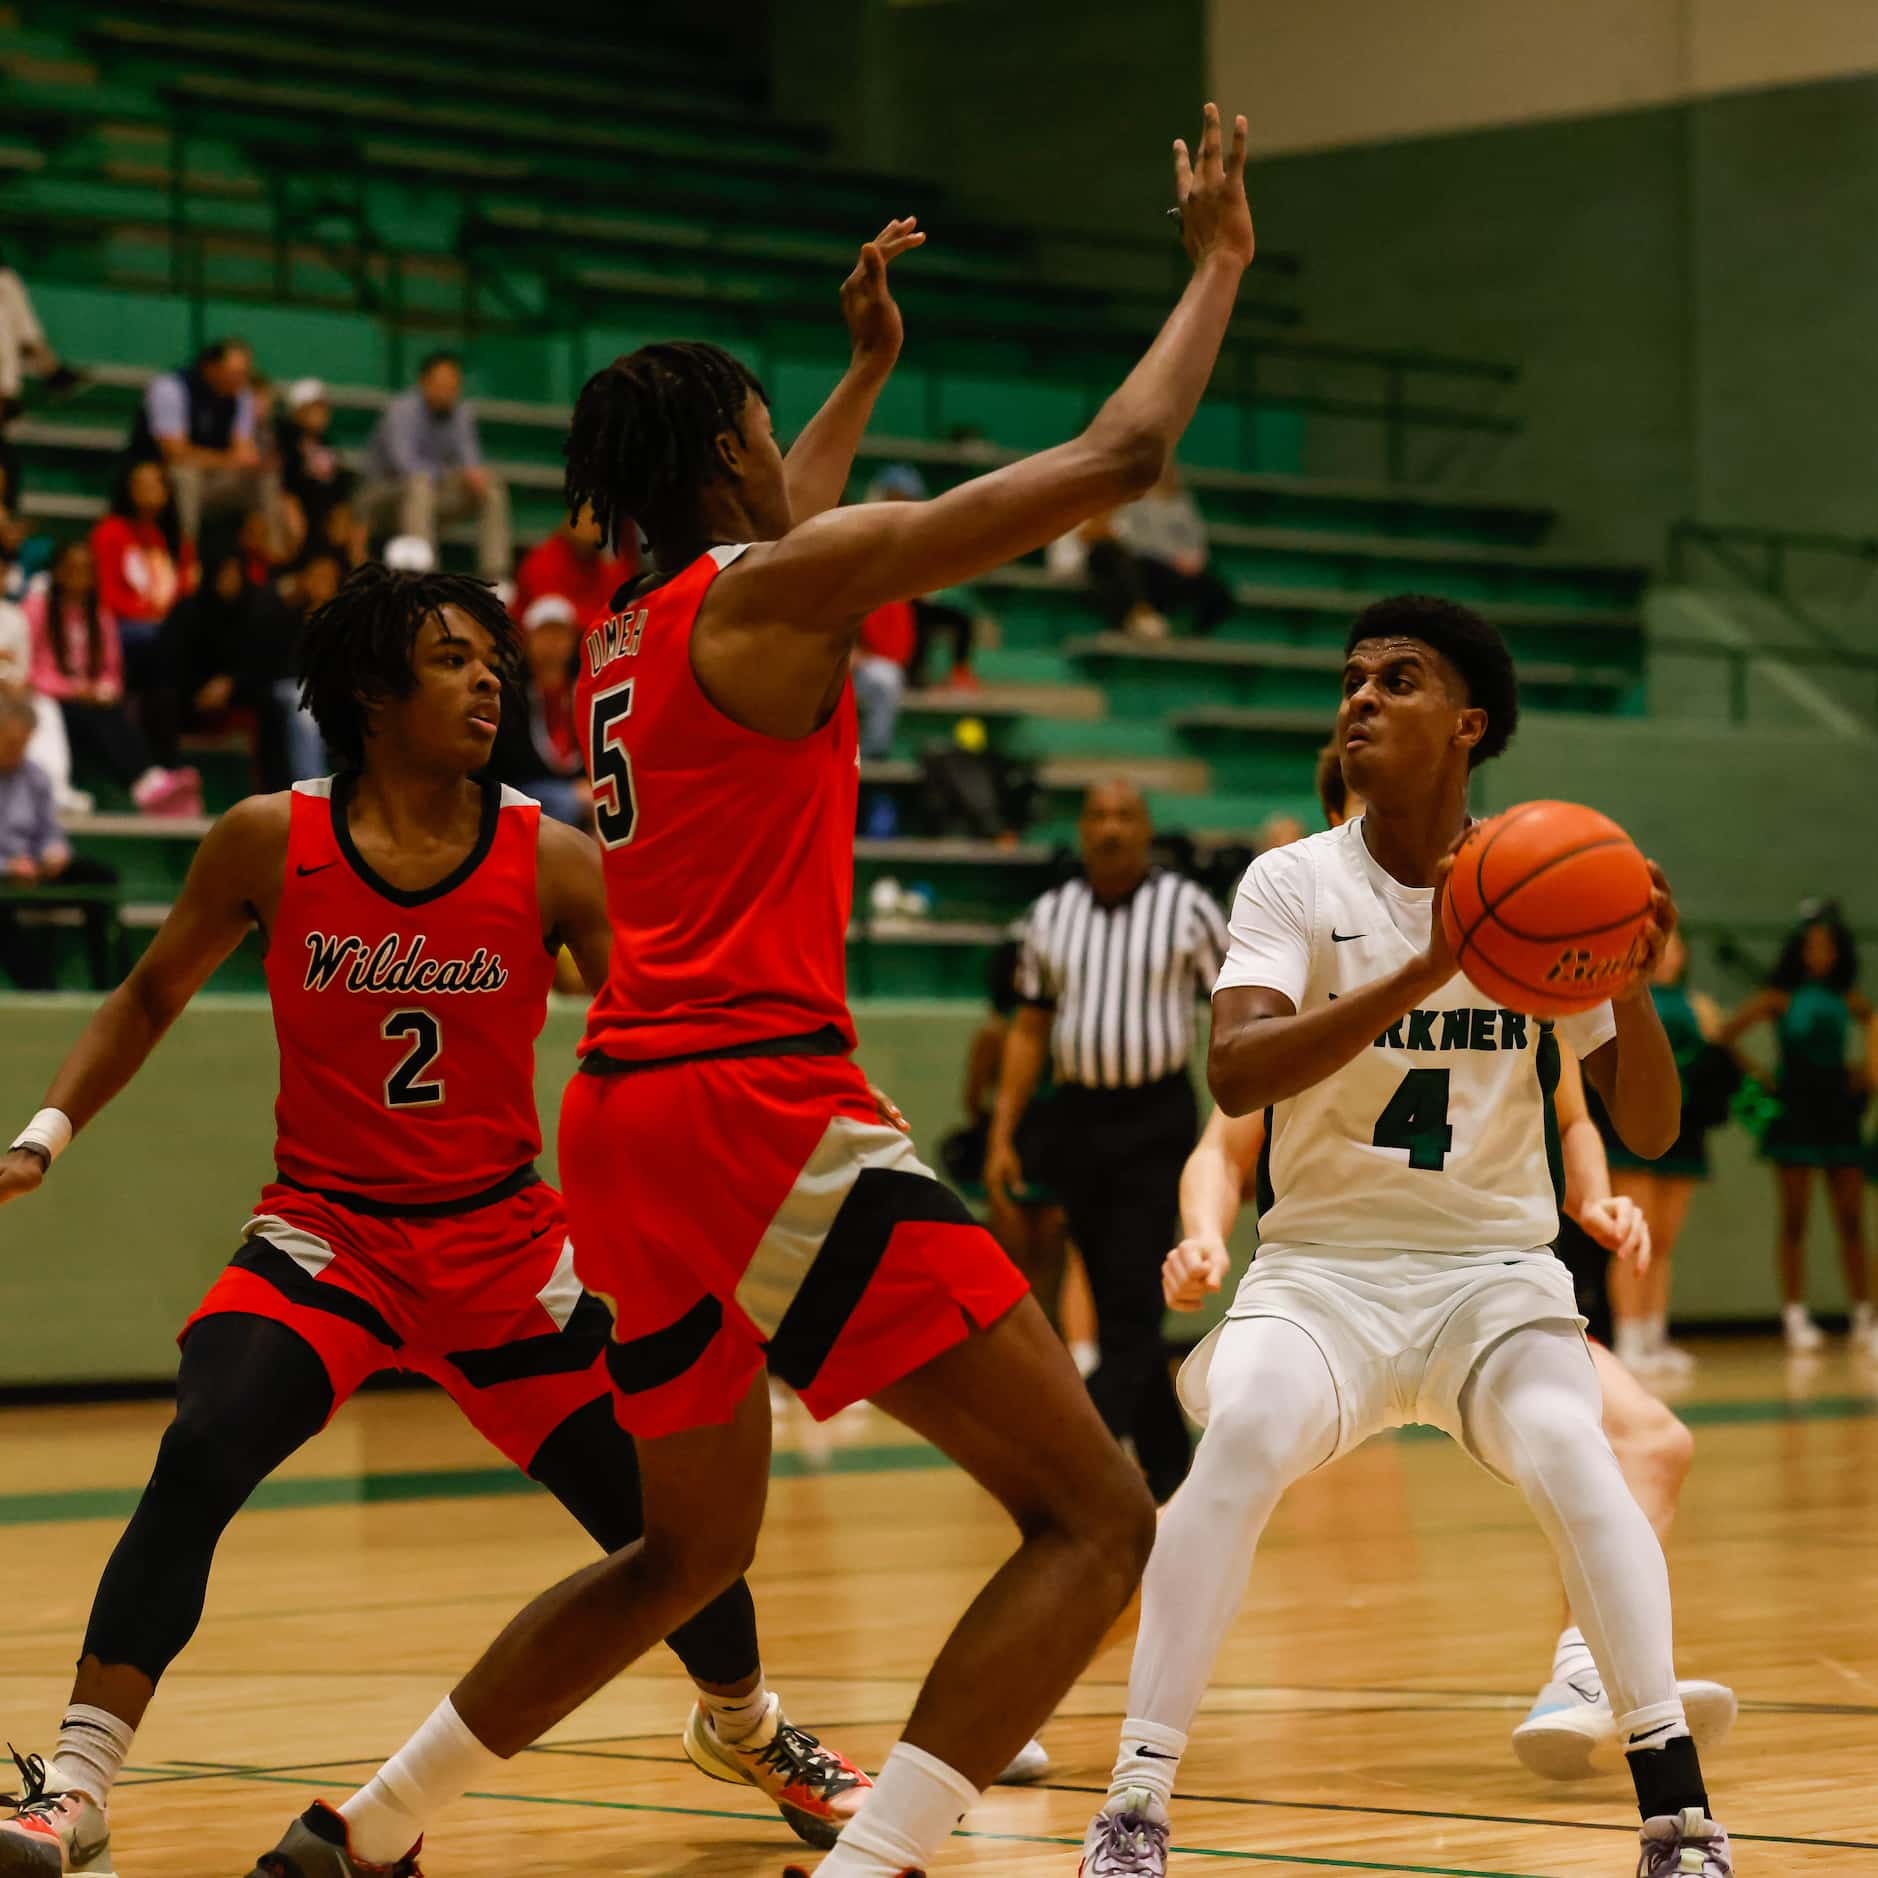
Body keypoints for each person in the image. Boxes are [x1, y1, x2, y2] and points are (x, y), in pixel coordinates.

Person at [269, 113, 1256, 1878]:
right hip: (758, 1105)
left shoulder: (635, 639)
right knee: (1096, 1513)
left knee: (681, 1553)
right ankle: (871, 1861)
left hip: (627, 1125)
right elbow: (1123, 450)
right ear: (727, 453)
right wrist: (1216, 263)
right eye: (760, 423)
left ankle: (366, 1823)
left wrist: (859, 373)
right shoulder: (773, 594)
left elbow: (774, 542)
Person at [0, 566, 872, 1877]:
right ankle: (73, 1784)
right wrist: (44, 1132)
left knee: (666, 1523)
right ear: (369, 690)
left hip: (504, 1248)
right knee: (203, 1444)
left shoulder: (553, 856)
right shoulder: (262, 837)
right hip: (326, 1236)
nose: (489, 680)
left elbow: (656, 1032)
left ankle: (748, 1725)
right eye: (454, 658)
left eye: (491, 662)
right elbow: (144, 997)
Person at [1083, 591, 1733, 1877]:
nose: (1362, 698)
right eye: (1353, 679)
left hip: (1495, 1280)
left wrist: (1633, 974)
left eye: (1400, 680)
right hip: (1321, 1277)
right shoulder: (1291, 879)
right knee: (1242, 1445)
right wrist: (1431, 965)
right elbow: (1236, 1072)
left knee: (1577, 1446)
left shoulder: (1549, 878)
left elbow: (1647, 1126)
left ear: (1468, 725)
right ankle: (1135, 1806)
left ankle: (1679, 1816)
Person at [987, 780, 1229, 1504]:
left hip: (1157, 1123)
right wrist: (1003, 1132)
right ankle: (1169, 1472)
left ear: (1147, 829)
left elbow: (1232, 1017)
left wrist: (1236, 1129)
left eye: (1126, 815)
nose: (1111, 828)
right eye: (1098, 815)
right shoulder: (1049, 917)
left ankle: (1067, 1458)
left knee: (1130, 1310)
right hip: (1078, 1123)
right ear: (1082, 829)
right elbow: (1030, 1030)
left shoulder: (1188, 910)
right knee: (1120, 1299)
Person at [1719, 904, 1874, 1354]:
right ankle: (1795, 1315)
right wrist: (1762, 1078)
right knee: (1795, 1218)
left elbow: (1873, 1029)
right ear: (1799, 951)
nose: (1819, 954)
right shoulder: (1777, 998)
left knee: (1851, 1218)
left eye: (1827, 947)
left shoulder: (1850, 1000)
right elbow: (1726, 1034)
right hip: (1795, 1113)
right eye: (1811, 947)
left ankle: (1865, 1315)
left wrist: (1865, 1073)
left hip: (1841, 1113)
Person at [1597, 932, 1733, 1376]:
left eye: (1677, 945)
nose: (1670, 953)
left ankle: (1655, 1337)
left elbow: (1718, 1072)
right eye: (1661, 945)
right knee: (1633, 1237)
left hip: (1685, 1132)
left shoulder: (1701, 1006)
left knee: (1664, 1241)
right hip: (1633, 1129)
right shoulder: (1622, 998)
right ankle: (1628, 1338)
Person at [25, 540, 199, 815]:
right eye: (71, 568)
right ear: (56, 572)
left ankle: (150, 782)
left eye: (86, 569)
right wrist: (74, 690)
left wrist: (104, 689)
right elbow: (30, 669)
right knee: (95, 715)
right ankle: (147, 782)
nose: (78, 575)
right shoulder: (37, 608)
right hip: (52, 701)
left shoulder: (100, 614)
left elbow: (112, 670)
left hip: (92, 700)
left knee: (115, 709)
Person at [0, 688, 118, 989]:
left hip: (34, 868)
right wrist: (7, 867)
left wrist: (55, 851)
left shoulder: (34, 774)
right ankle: (39, 988)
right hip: (5, 874)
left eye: (24, 742)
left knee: (100, 877)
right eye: (12, 742)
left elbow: (49, 829)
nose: (18, 750)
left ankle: (110, 982)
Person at [359, 352, 511, 581]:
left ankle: (497, 577)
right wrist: (452, 474)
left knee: (491, 486)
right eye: (441, 384)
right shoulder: (400, 410)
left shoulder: (461, 413)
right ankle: (425, 577)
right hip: (382, 497)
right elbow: (404, 465)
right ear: (424, 383)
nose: (447, 391)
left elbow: (470, 460)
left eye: (453, 385)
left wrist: (475, 475)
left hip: (429, 495)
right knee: (420, 484)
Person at [127, 339, 267, 542]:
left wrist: (239, 460)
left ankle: (270, 558)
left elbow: (245, 452)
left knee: (265, 478)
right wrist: (227, 460)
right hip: (161, 472)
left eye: (245, 373)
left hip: (215, 476)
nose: (241, 380)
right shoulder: (170, 387)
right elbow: (175, 453)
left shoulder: (241, 395)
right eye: (235, 373)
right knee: (186, 476)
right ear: (211, 368)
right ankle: (187, 554)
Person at [1086, 459, 1232, 640]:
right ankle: (1139, 618)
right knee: (1119, 562)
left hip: (1182, 568)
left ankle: (1193, 634)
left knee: (1219, 591)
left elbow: (1197, 537)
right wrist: (1172, 558)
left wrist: (1195, 557)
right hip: (1150, 563)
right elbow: (1134, 539)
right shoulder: (1135, 499)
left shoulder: (1183, 502)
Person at [89, 458, 197, 690]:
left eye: (155, 483)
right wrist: (148, 615)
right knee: (158, 637)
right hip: (124, 623)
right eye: (140, 483)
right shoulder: (110, 532)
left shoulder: (176, 540)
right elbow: (106, 593)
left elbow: (186, 590)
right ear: (127, 488)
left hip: (167, 624)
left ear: (167, 491)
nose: (148, 489)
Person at [488, 593, 590, 827]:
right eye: (545, 633)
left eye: (560, 633)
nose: (553, 643)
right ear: (528, 638)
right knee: (569, 804)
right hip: (524, 788)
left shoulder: (585, 685)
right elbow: (506, 760)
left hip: (580, 787)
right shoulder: (510, 690)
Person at [512, 502, 636, 627]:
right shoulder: (542, 561)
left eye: (598, 521)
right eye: (585, 519)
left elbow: (622, 613)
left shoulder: (609, 567)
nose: (591, 527)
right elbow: (553, 622)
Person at [275, 379, 356, 546]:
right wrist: (289, 502)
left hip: (324, 513)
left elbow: (340, 482)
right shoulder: (284, 439)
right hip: (296, 508)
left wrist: (342, 509)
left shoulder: (326, 443)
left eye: (324, 408)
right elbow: (283, 479)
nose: (323, 413)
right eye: (315, 408)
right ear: (297, 411)